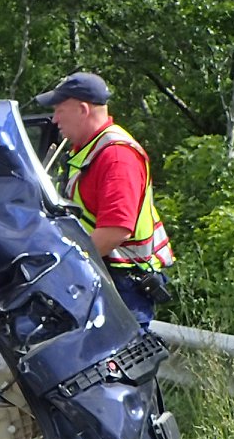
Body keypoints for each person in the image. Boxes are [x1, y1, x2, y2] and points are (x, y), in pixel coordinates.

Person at [35, 71, 174, 327]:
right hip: (103, 274)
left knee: (114, 354)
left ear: (82, 109)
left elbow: (115, 231)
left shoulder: (117, 156)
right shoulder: (88, 150)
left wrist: (62, 266)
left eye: (59, 110)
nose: (54, 119)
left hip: (122, 284)